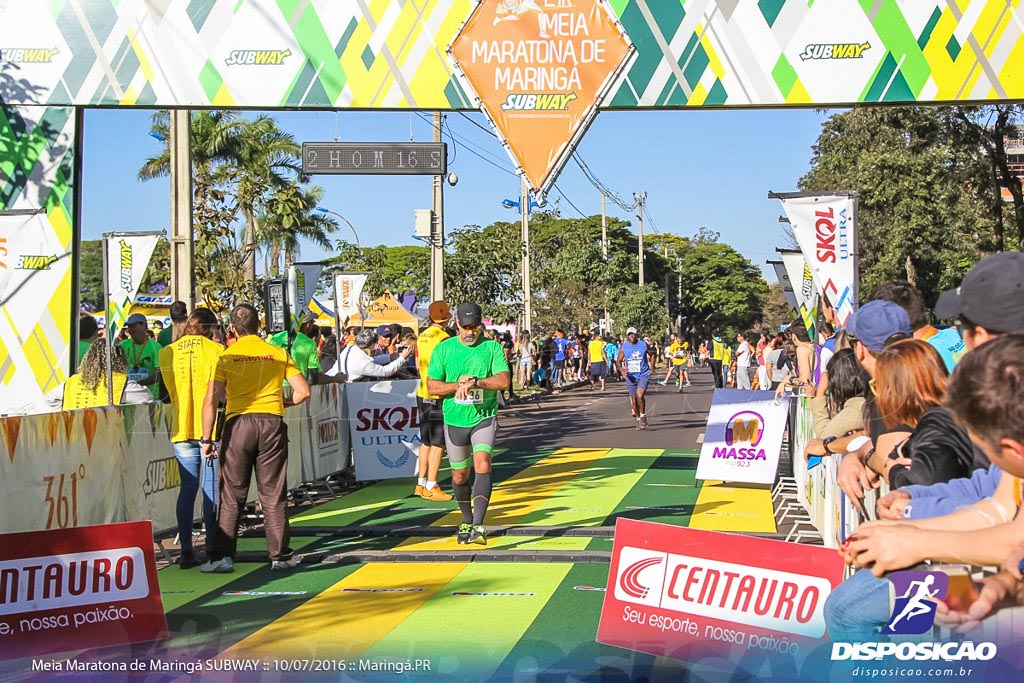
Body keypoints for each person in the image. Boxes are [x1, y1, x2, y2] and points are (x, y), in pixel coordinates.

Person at [200, 304, 310, 573]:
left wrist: (206, 439)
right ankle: (280, 556)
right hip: (271, 420)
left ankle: (223, 558)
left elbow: (211, 400)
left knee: (232, 493)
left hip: (237, 423)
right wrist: (280, 402)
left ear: (233, 330)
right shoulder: (277, 352)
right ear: (259, 326)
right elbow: (303, 392)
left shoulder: (227, 356)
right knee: (272, 492)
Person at [427, 302, 510, 546]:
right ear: (456, 326)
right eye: (466, 327)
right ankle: (466, 518)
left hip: (483, 417)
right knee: (459, 475)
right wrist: (457, 386)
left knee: (482, 463)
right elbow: (432, 387)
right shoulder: (444, 350)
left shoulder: (492, 348)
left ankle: (479, 525)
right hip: (454, 419)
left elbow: (504, 381)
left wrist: (477, 382)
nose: (470, 332)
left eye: (475, 327)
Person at [158, 308, 223, 569]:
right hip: (208, 429)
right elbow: (220, 391)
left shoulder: (167, 352)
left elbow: (163, 393)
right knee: (209, 490)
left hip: (180, 426)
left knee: (187, 491)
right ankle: (211, 549)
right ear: (209, 328)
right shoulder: (216, 351)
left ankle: (185, 549)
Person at [414, 301, 454, 502]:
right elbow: (448, 366)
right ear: (448, 318)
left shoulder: (422, 336)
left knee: (426, 440)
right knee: (438, 443)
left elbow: (416, 362)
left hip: (422, 391)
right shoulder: (445, 338)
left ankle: (421, 483)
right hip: (437, 393)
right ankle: (432, 484)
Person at [46, 339, 153, 409]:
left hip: (75, 437)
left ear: (88, 358)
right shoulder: (120, 383)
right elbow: (147, 398)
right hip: (106, 437)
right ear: (119, 359)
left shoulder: (71, 382)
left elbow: (50, 400)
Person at [327, 329, 412, 382]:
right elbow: (385, 371)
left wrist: (389, 357)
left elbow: (372, 360)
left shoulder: (351, 349)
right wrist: (402, 358)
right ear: (373, 345)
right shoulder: (363, 364)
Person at [269, 311, 322, 385]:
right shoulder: (309, 343)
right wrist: (335, 378)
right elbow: (313, 378)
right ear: (308, 324)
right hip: (298, 388)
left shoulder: (275, 338)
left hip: (276, 387)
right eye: (313, 322)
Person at [119, 313, 162, 399]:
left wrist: (138, 384)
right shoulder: (122, 345)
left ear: (144, 326)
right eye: (129, 327)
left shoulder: (156, 347)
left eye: (134, 326)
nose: (131, 329)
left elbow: (159, 374)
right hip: (127, 395)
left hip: (150, 397)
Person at [617, 327, 651, 429]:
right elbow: (618, 361)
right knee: (634, 401)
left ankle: (643, 416)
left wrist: (652, 366)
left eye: (633, 334)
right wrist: (622, 370)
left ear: (637, 335)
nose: (632, 336)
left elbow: (652, 354)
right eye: (630, 334)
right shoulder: (624, 346)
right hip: (630, 376)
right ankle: (638, 418)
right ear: (627, 336)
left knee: (639, 396)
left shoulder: (643, 344)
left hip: (643, 374)